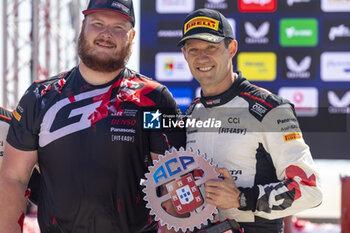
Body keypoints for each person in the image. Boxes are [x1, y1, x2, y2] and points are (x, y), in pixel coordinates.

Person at [0, 0, 185, 232]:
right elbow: (13, 179)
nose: (106, 34)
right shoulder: (40, 97)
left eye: (118, 27)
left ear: (132, 36)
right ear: (83, 27)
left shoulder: (154, 99)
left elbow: (174, 187)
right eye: (97, 23)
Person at [178, 9, 323, 233]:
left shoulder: (270, 109)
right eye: (193, 49)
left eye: (211, 47)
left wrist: (241, 198)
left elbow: (310, 190)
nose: (202, 57)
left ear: (232, 48)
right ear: (185, 55)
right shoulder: (191, 114)